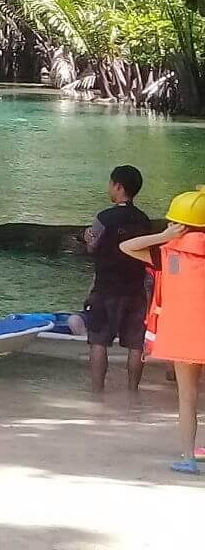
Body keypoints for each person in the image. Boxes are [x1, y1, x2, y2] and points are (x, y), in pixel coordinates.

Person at [123, 187, 205, 475]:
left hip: (184, 335)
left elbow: (126, 246)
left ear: (179, 224)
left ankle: (189, 457)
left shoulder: (166, 252)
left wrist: (164, 237)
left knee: (188, 396)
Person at [81, 164, 154, 392]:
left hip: (106, 287)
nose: (109, 188)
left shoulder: (104, 217)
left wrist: (86, 238)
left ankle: (97, 392)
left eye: (111, 184)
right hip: (135, 288)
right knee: (135, 344)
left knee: (99, 341)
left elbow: (93, 246)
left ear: (118, 186)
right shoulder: (144, 220)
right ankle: (133, 392)